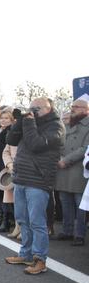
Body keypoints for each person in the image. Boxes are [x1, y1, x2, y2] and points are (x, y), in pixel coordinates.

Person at [4, 98, 65, 275]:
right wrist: (20, 122)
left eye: (36, 108)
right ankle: (26, 254)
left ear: (48, 108)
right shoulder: (29, 122)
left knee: (37, 222)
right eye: (30, 108)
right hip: (21, 177)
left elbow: (36, 145)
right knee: (22, 219)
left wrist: (29, 123)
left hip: (39, 181)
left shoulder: (56, 126)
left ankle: (40, 259)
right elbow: (11, 140)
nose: (32, 111)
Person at [53, 99, 89, 246]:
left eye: (76, 107)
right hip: (62, 169)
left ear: (86, 109)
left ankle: (79, 234)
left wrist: (66, 160)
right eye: (72, 106)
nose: (73, 109)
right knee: (65, 201)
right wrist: (59, 157)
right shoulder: (66, 125)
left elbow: (85, 148)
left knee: (80, 204)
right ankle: (67, 231)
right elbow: (59, 143)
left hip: (78, 170)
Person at [2, 113, 19, 236]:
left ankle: (23, 229)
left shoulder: (29, 134)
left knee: (23, 202)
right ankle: (17, 227)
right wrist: (10, 164)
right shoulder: (13, 135)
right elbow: (6, 151)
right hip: (11, 169)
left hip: (24, 171)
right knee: (15, 201)